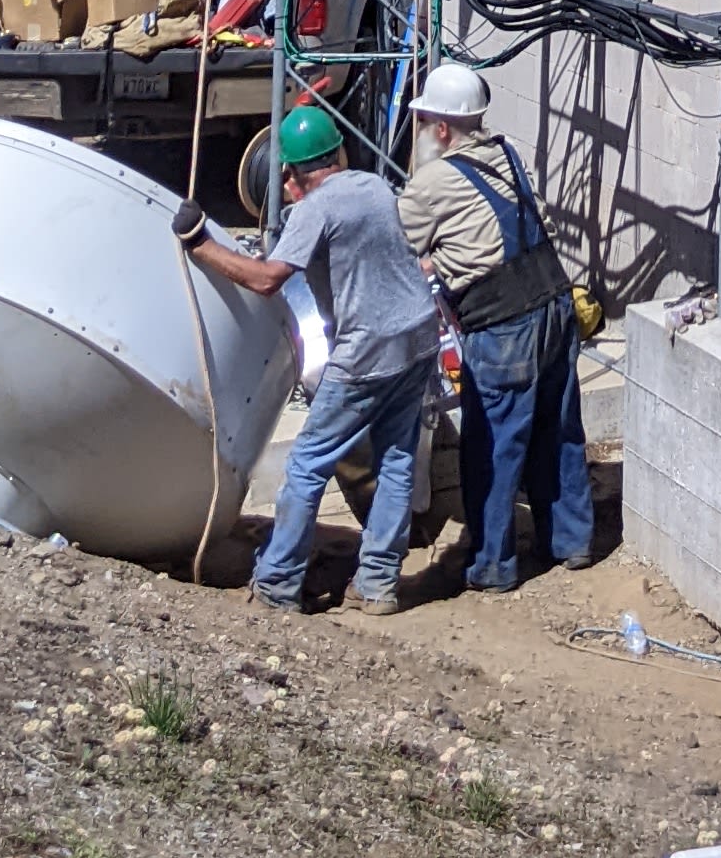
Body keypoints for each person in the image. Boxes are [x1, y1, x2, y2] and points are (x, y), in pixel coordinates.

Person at [176, 101, 443, 615]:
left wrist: (200, 243)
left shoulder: (315, 209)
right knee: (397, 459)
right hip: (419, 334)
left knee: (306, 465)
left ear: (290, 174)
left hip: (368, 349)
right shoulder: (372, 185)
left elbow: (266, 278)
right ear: (339, 152)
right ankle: (378, 584)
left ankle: (277, 582)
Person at [399, 61, 594, 593]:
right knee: (557, 430)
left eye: (423, 124)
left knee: (494, 444)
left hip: (504, 324)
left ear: (441, 129)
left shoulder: (435, 178)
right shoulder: (505, 154)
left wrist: (433, 260)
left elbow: (397, 247)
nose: (418, 133)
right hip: (554, 305)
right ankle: (572, 542)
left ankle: (492, 565)